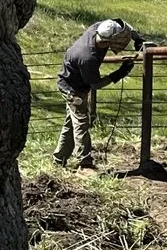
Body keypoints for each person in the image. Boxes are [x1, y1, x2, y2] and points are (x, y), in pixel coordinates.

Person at [53, 18, 144, 170]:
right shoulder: (87, 57)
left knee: (71, 124)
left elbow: (124, 26)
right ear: (110, 40)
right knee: (81, 122)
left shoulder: (98, 28)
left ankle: (58, 160)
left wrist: (137, 38)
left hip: (74, 83)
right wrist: (118, 74)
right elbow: (95, 84)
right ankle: (85, 163)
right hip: (72, 89)